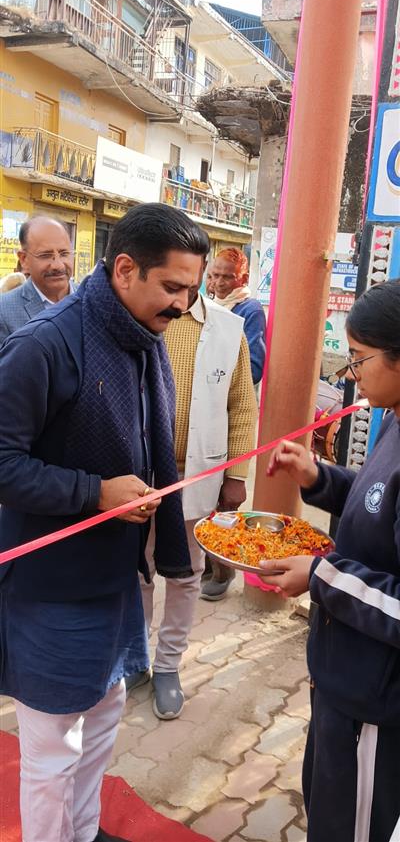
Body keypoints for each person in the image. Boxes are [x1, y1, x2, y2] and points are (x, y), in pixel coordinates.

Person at [0, 202, 208, 842]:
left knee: (106, 713)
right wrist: (95, 493)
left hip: (115, 575)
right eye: (171, 287)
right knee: (53, 746)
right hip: (50, 584)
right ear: (124, 270)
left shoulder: (140, 337)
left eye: (191, 291)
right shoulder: (43, 345)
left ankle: (84, 832)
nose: (182, 305)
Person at [261, 278, 400, 842]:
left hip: (378, 700)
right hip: (345, 673)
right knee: (326, 806)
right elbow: (376, 504)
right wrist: (318, 477)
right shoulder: (394, 417)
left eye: (360, 357)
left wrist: (319, 576)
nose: (351, 373)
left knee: (353, 825)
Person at [129, 262, 257, 718]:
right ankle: (135, 658)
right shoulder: (138, 315)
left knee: (185, 574)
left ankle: (168, 666)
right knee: (138, 570)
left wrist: (237, 475)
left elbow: (242, 406)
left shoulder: (228, 328)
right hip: (137, 476)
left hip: (196, 476)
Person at [0, 215, 75, 347]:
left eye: (64, 253)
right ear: (24, 259)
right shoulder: (3, 311)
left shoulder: (91, 300)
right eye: (45, 255)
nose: (58, 265)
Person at [212, 247, 266, 385]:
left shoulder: (250, 310)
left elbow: (253, 370)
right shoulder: (209, 305)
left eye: (227, 277)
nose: (219, 283)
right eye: (216, 275)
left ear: (244, 279)